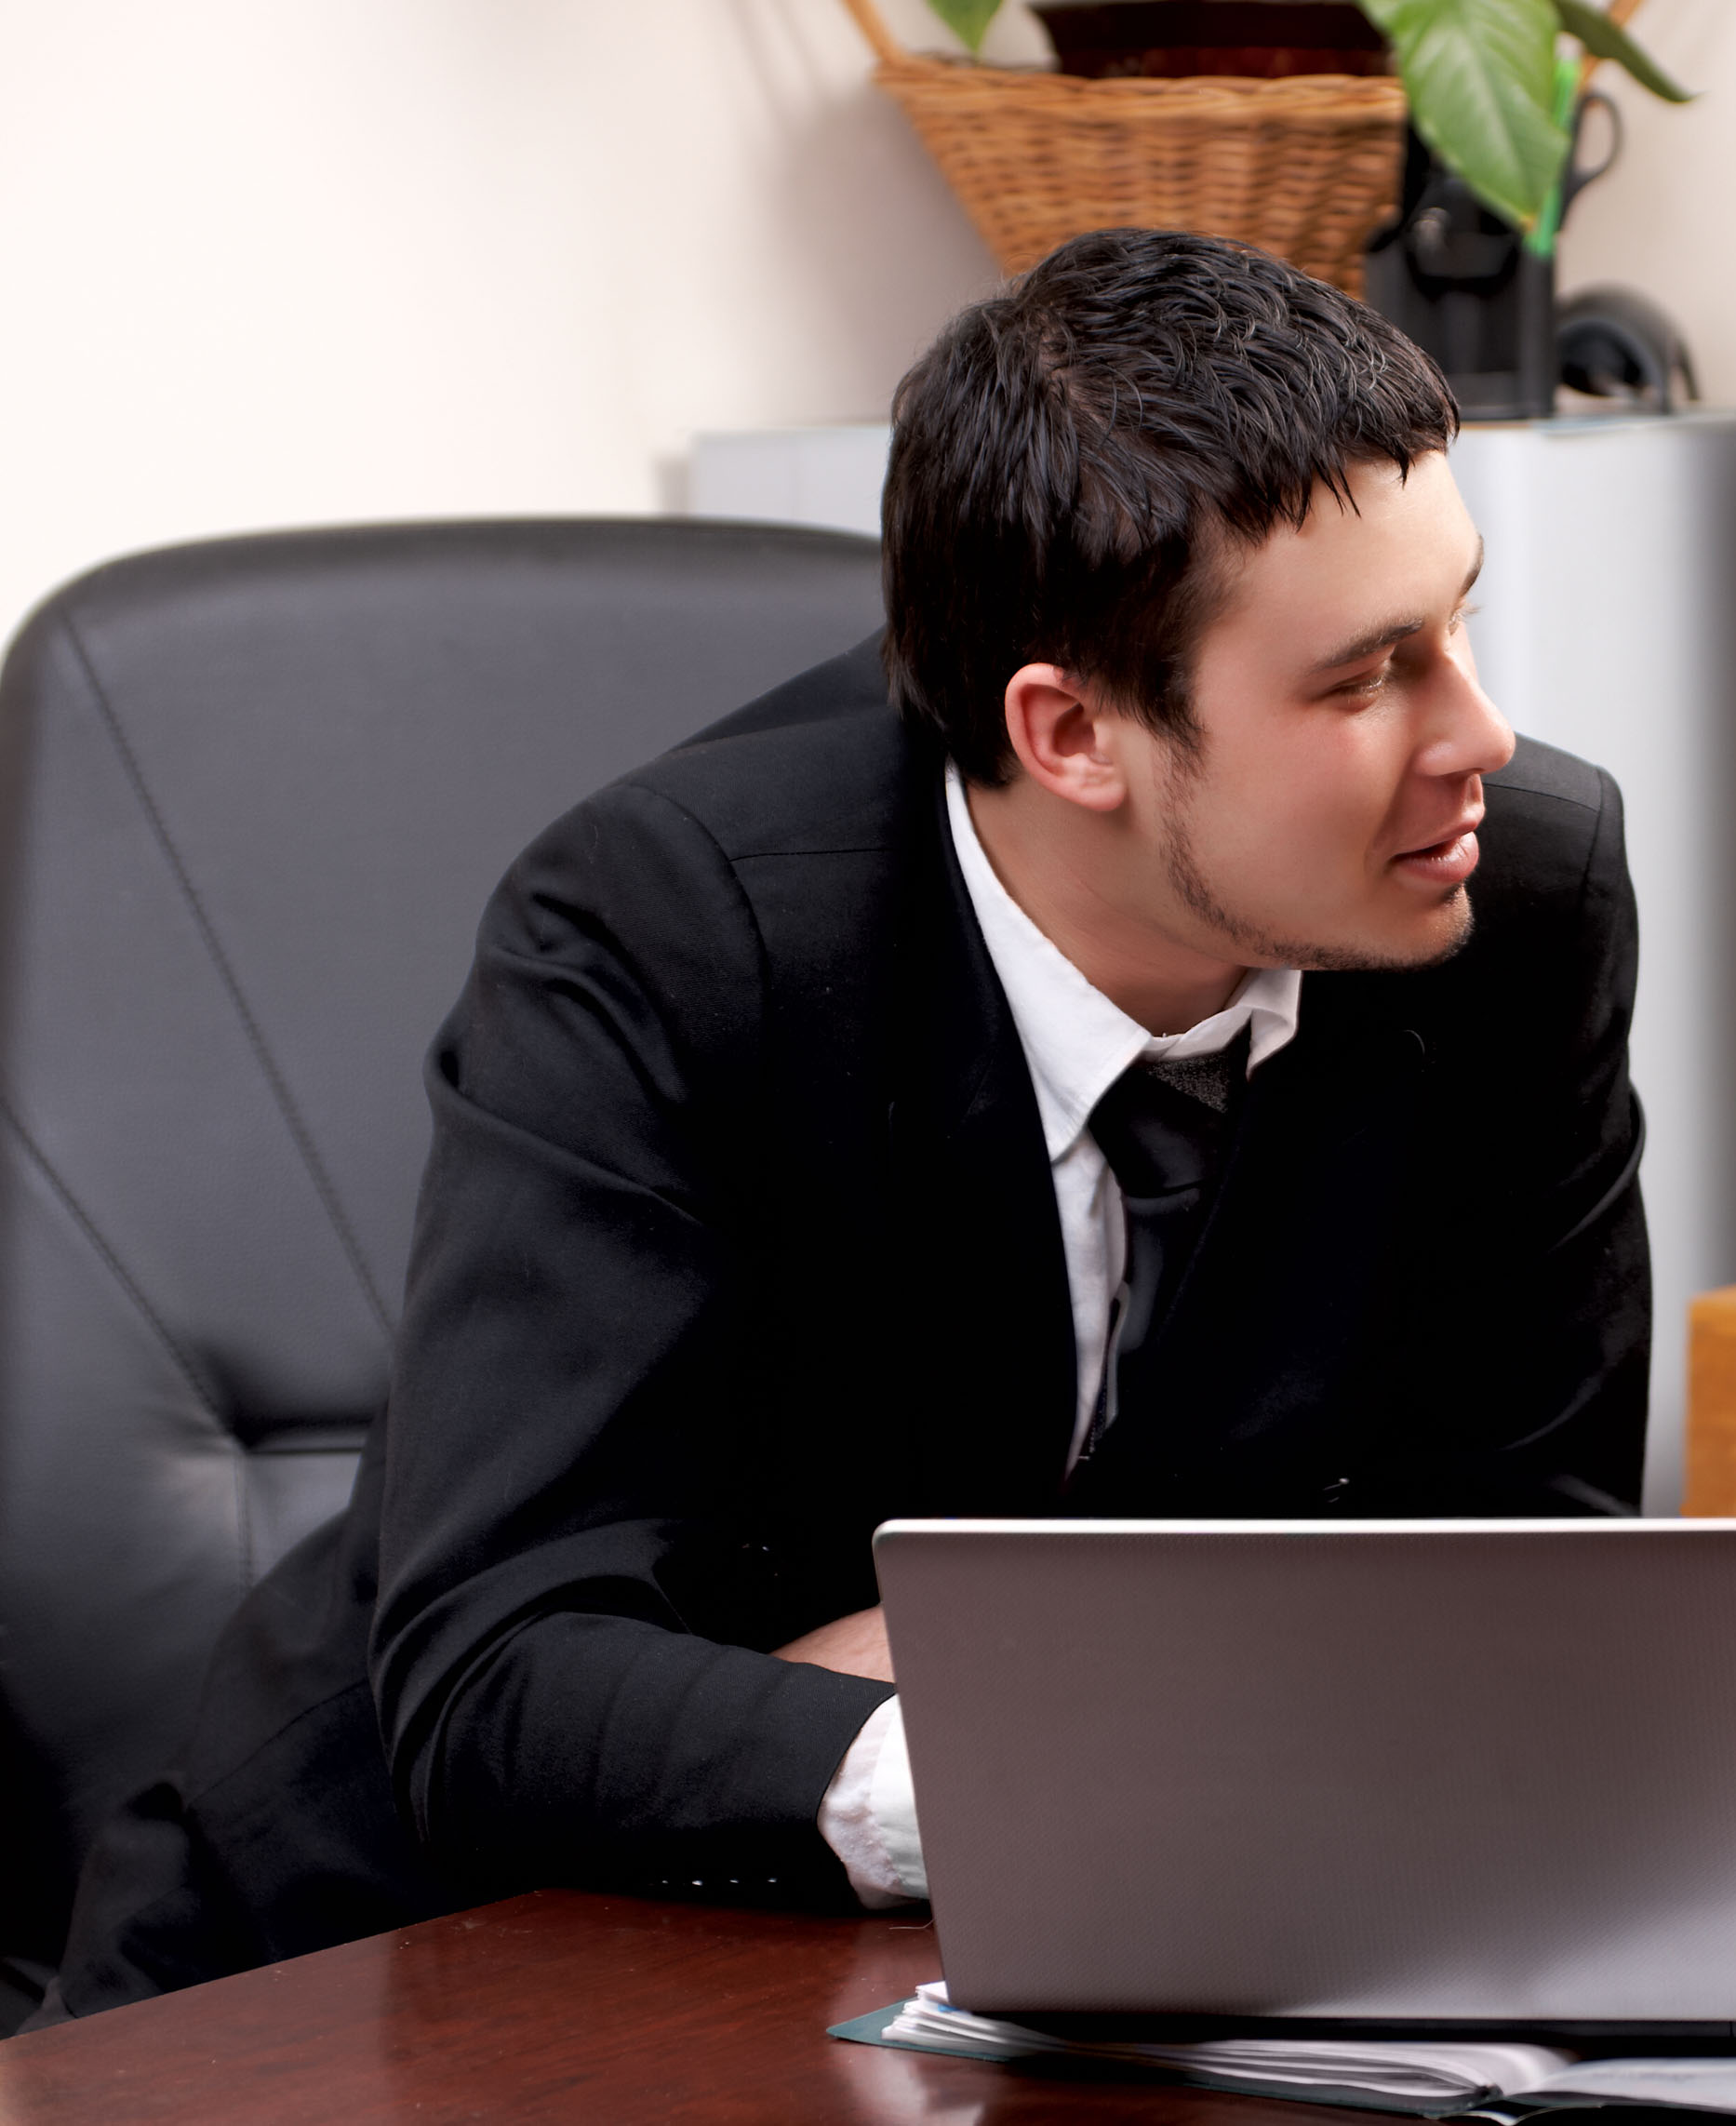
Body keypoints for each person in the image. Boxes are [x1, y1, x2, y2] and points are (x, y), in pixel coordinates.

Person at [43, 229, 1648, 2020]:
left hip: (1048, 1979)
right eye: (1363, 679)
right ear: (1073, 733)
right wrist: (1025, 1747)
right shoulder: (665, 930)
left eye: (1458, 621)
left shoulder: (1518, 902)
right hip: (390, 1968)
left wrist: (1031, 1669)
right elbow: (498, 1674)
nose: (1480, 734)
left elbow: (1527, 1572)